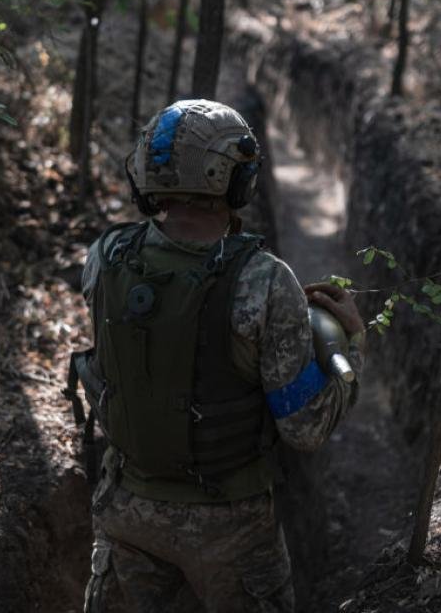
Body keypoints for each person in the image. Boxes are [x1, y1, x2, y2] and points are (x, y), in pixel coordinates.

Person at [72, 99, 365, 612]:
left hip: (125, 513)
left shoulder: (106, 257)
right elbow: (305, 428)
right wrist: (352, 345)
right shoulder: (265, 281)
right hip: (233, 531)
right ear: (232, 181)